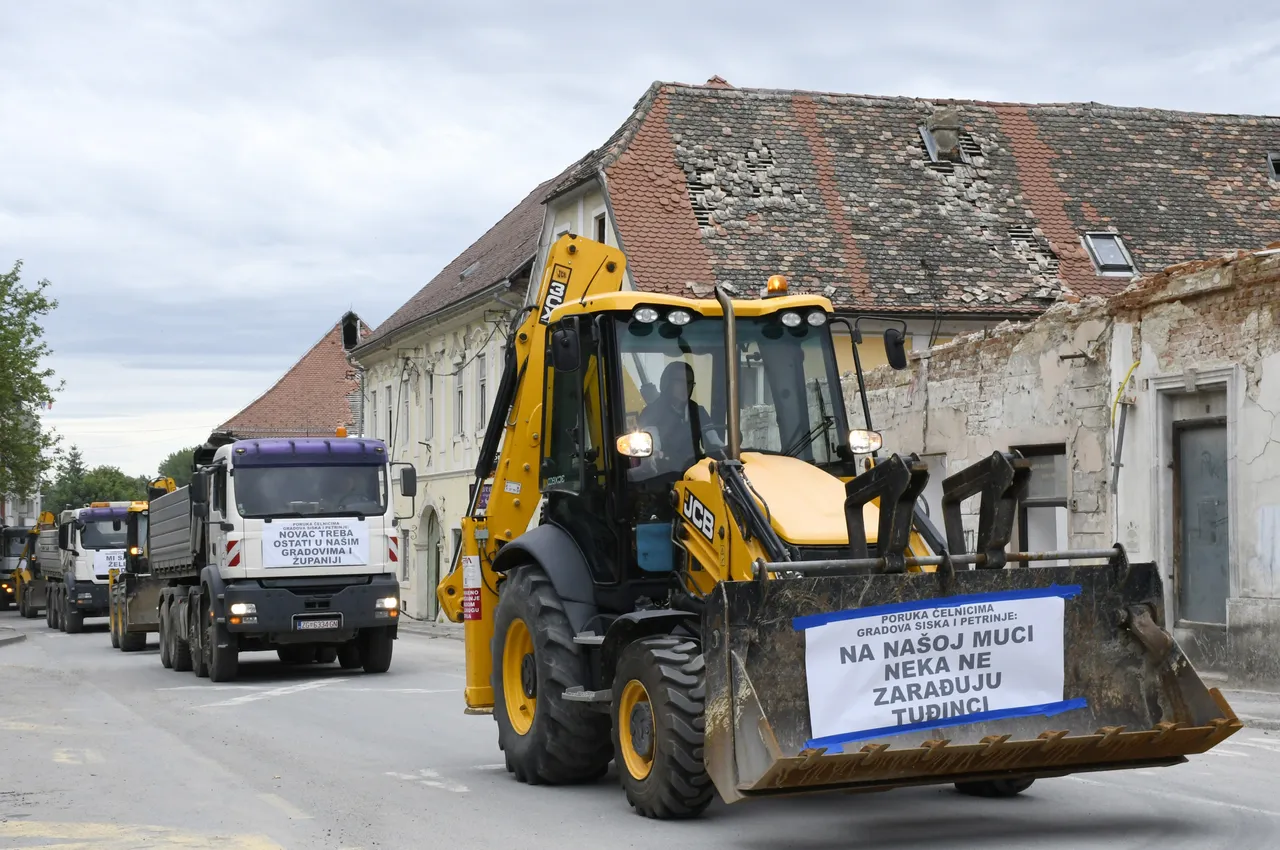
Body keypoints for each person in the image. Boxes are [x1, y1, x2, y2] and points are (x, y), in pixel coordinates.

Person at [638, 361, 721, 472]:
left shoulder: (698, 411)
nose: (685, 387)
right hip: (664, 475)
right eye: (680, 382)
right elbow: (653, 447)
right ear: (667, 383)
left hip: (697, 472)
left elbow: (714, 441)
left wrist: (726, 451)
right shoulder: (651, 412)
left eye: (689, 383)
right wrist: (656, 454)